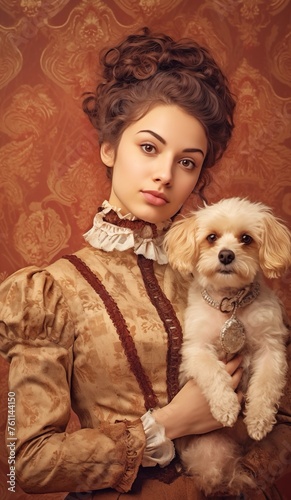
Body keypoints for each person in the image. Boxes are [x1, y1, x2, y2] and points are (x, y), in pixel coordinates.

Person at [0, 27, 290, 500]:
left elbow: (284, 417)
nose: (165, 174)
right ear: (110, 148)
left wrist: (243, 482)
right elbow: (25, 466)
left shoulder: (227, 269)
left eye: (188, 162)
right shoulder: (51, 290)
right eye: (150, 147)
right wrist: (168, 424)